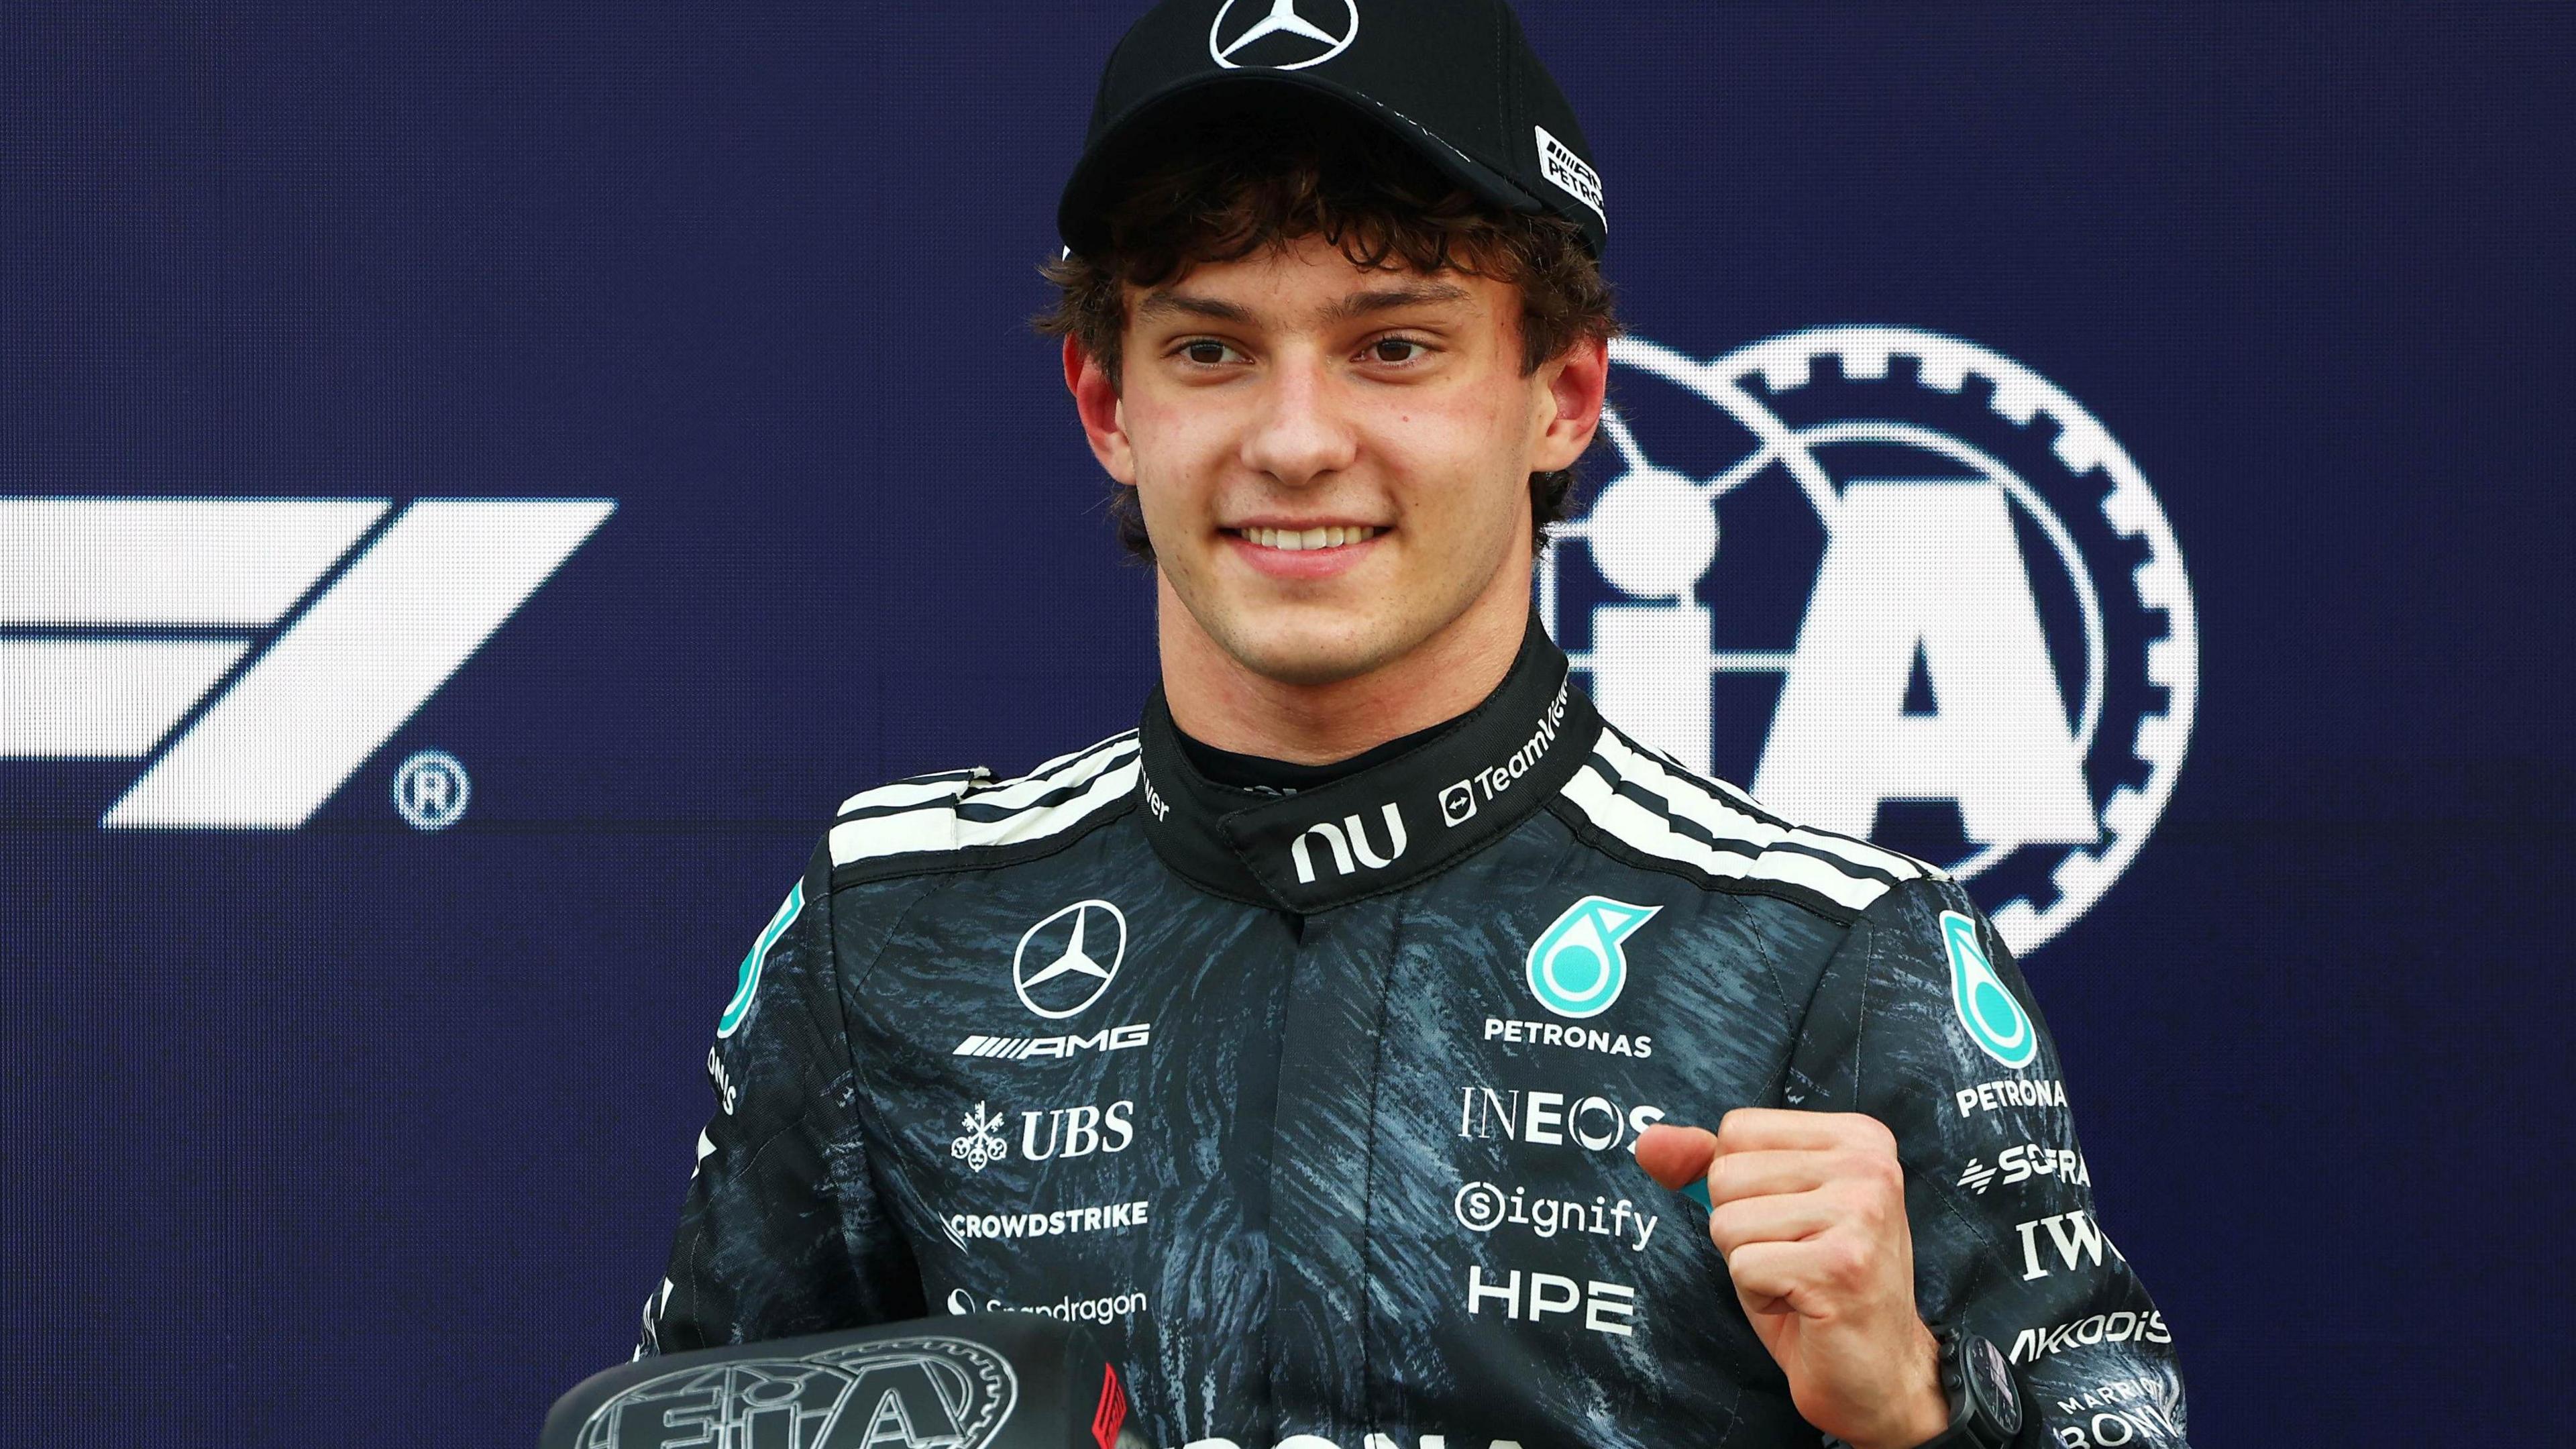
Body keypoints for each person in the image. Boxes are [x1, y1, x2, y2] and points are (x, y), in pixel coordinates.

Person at [637, 3, 2189, 1446]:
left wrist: (1916, 1407)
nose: (1297, 440)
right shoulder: (894, 924)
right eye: (1210, 349)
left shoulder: (1831, 954)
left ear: (1562, 394)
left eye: (1394, 346)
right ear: (1109, 407)